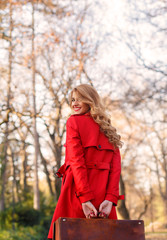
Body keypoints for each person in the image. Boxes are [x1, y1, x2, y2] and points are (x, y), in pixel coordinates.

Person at [47, 84, 124, 239]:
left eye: (80, 99)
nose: (74, 103)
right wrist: (110, 199)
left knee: (69, 234)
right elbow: (115, 169)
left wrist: (85, 198)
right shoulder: (108, 128)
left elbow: (76, 161)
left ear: (90, 100)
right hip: (103, 195)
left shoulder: (73, 122)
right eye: (72, 100)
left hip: (77, 190)